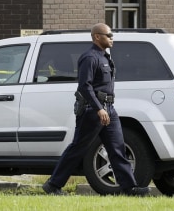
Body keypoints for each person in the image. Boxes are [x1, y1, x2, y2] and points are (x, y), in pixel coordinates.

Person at [42, 23, 151, 196]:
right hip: (93, 111)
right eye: (109, 35)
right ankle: (53, 185)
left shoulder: (105, 57)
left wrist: (106, 108)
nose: (112, 38)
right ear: (97, 37)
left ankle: (129, 188)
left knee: (117, 148)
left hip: (109, 109)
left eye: (112, 35)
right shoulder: (90, 58)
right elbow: (85, 86)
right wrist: (99, 109)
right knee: (78, 147)